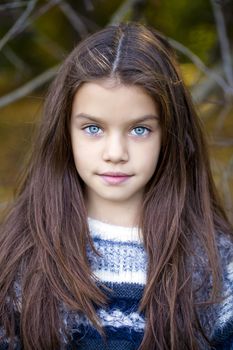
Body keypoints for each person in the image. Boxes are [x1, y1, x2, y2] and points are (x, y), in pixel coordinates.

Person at [0, 22, 232, 350]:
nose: (115, 154)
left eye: (139, 130)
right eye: (93, 128)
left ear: (171, 136)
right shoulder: (19, 253)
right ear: (64, 132)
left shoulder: (215, 265)